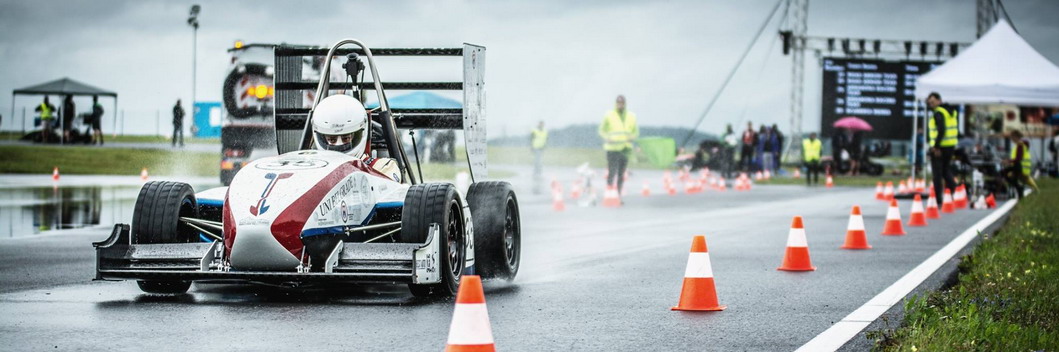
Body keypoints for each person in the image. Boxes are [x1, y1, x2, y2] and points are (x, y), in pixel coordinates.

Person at [312, 94, 401, 182]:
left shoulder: (383, 167)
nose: (339, 145)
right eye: (332, 140)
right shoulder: (314, 170)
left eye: (346, 138)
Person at [598, 95, 638, 198]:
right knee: (612, 171)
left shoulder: (631, 116)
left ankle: (618, 194)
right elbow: (601, 130)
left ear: (625, 103)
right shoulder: (609, 115)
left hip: (625, 148)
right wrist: (606, 137)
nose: (620, 105)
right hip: (612, 148)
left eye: (622, 103)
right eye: (618, 103)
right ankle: (609, 193)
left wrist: (632, 137)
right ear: (615, 103)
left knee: (621, 173)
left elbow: (635, 132)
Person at [926, 92, 959, 199]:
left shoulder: (938, 113)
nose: (931, 104)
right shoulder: (949, 112)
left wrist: (936, 147)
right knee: (945, 170)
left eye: (933, 101)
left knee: (937, 174)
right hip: (950, 145)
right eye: (929, 102)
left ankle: (938, 200)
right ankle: (955, 191)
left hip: (940, 147)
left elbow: (942, 130)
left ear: (939, 101)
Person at [1003, 130, 1038, 198]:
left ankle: (1019, 188)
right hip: (1021, 167)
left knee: (1005, 173)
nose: (1011, 139)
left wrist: (1008, 161)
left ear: (1015, 137)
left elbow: (1018, 158)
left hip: (1021, 167)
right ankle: (1019, 189)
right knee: (1009, 174)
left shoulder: (1020, 145)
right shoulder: (1020, 144)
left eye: (1012, 137)